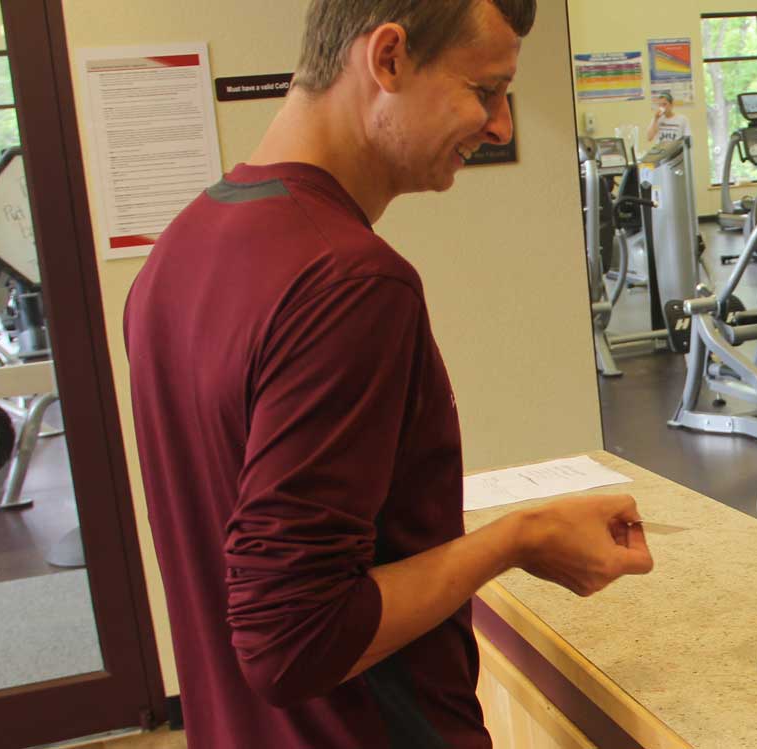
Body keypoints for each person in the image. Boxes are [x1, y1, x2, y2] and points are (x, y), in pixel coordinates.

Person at [124, 1, 654, 746]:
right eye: (486, 89)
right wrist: (518, 538)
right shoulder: (350, 282)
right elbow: (292, 640)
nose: (500, 125)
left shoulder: (177, 253)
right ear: (389, 59)